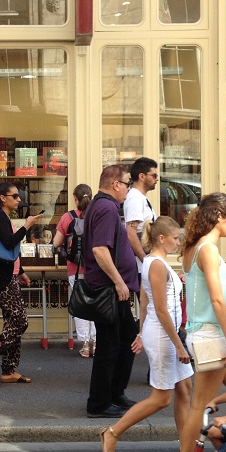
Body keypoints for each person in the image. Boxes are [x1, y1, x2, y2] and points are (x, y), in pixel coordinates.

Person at [99, 216, 193, 452]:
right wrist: (179, 344)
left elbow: (145, 301)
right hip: (164, 336)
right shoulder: (157, 265)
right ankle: (112, 432)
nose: (178, 242)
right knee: (161, 398)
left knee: (185, 389)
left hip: (162, 333)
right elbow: (159, 309)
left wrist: (141, 333)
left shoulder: (152, 262)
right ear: (162, 238)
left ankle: (187, 451)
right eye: (175, 238)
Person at [176, 192, 226, 452]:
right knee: (199, 405)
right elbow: (217, 300)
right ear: (218, 217)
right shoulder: (208, 250)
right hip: (210, 336)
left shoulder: (196, 246)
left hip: (203, 333)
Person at [84, 165, 139, 419]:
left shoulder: (102, 205)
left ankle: (115, 393)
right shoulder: (106, 208)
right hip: (110, 289)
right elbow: (100, 250)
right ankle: (99, 403)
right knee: (109, 346)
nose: (129, 189)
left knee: (127, 337)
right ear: (116, 184)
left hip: (113, 289)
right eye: (127, 184)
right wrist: (119, 282)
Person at [0, 182, 43, 385]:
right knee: (20, 322)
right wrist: (27, 226)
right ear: (3, 198)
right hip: (3, 280)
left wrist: (20, 271)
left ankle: (8, 370)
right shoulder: (0, 216)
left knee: (12, 322)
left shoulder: (3, 217)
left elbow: (7, 252)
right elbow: (9, 242)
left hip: (9, 276)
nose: (19, 199)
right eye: (15, 196)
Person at [52, 183, 96, 357]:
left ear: (75, 199)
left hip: (75, 270)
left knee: (81, 306)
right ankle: (97, 344)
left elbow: (56, 243)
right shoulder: (97, 215)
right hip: (97, 269)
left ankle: (85, 346)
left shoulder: (67, 217)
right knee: (96, 305)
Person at [124, 156, 159, 266]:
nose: (157, 179)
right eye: (154, 176)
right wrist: (144, 260)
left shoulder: (140, 197)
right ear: (142, 176)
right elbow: (130, 232)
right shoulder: (135, 198)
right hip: (139, 265)